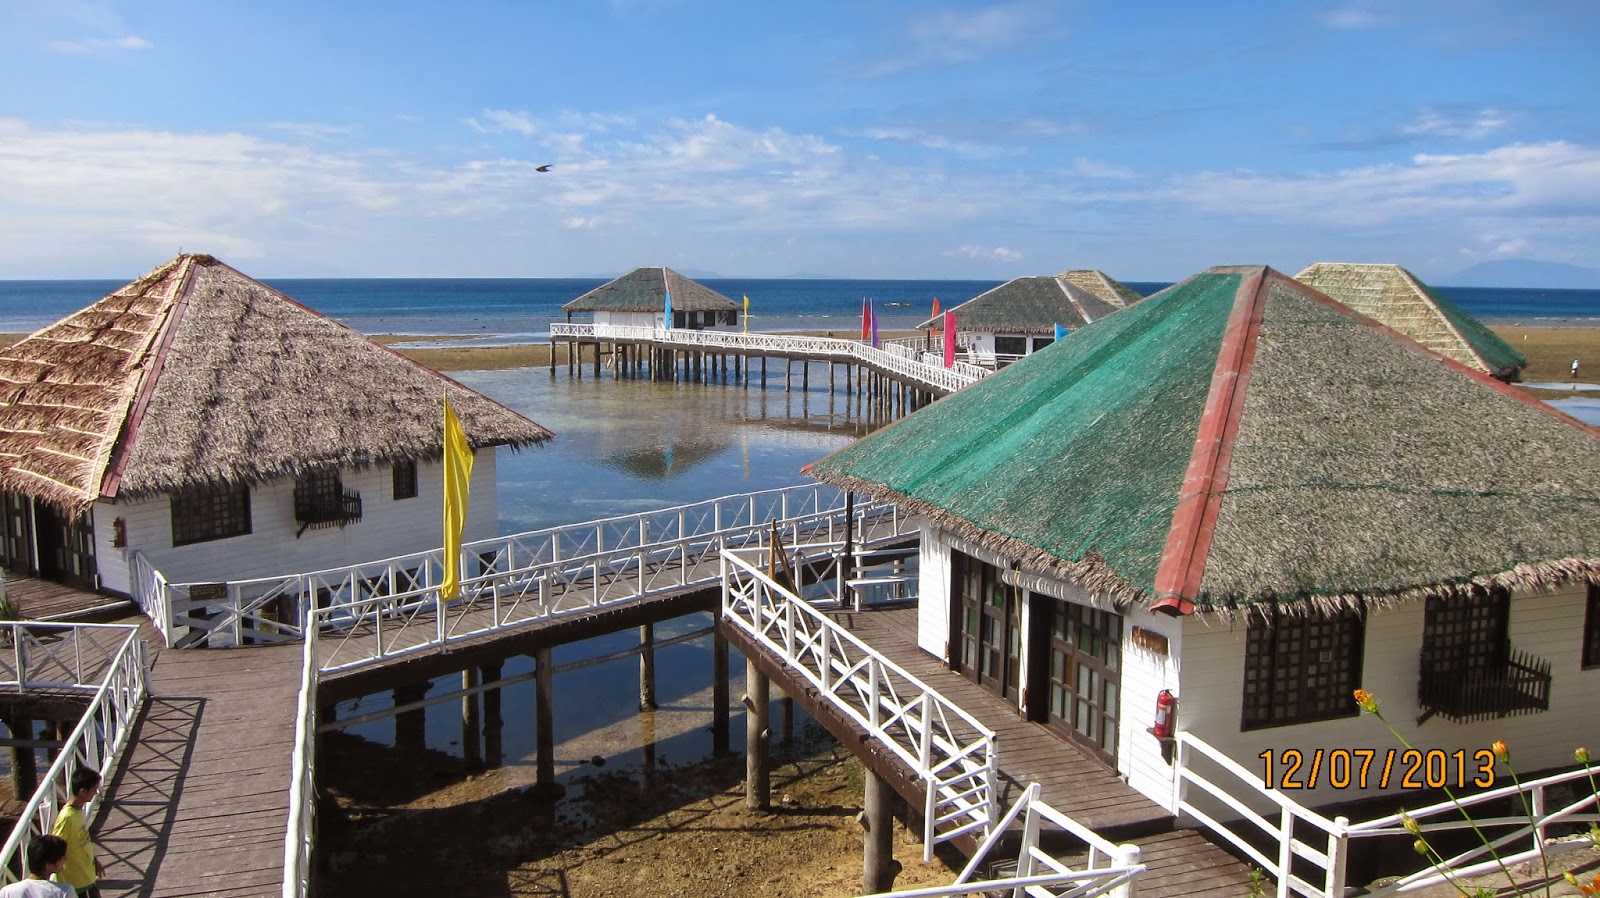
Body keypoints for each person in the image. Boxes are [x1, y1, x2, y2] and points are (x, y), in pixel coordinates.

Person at [51, 769, 104, 898]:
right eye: (94, 789)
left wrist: (94, 861)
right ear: (82, 792)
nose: (96, 792)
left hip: (87, 877)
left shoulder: (77, 811)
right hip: (76, 883)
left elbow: (81, 841)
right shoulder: (67, 817)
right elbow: (55, 847)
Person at [0, 835, 73, 897]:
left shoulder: (7, 892)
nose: (65, 859)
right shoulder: (64, 891)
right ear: (49, 865)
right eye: (63, 857)